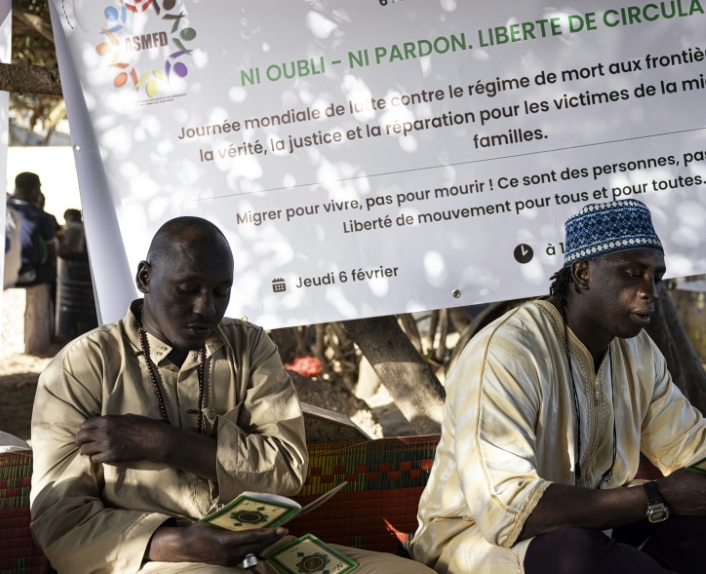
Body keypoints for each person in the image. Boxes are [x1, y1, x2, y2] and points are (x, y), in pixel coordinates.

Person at [410, 199, 706, 574]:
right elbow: (510, 511)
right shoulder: (509, 352)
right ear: (583, 273)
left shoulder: (634, 351)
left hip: (596, 527)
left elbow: (693, 445)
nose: (649, 290)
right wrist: (656, 497)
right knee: (576, 552)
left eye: (656, 276)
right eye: (632, 273)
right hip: (482, 544)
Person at [31, 216, 433, 573]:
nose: (206, 308)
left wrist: (164, 442)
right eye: (188, 289)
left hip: (261, 549)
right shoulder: (82, 368)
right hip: (152, 558)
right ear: (145, 278)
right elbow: (60, 517)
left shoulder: (250, 347)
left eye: (221, 291)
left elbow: (286, 470)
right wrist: (174, 542)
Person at [8, 171, 58, 286]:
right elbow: (52, 253)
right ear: (35, 190)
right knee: (56, 270)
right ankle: (52, 303)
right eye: (39, 188)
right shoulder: (42, 217)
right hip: (23, 276)